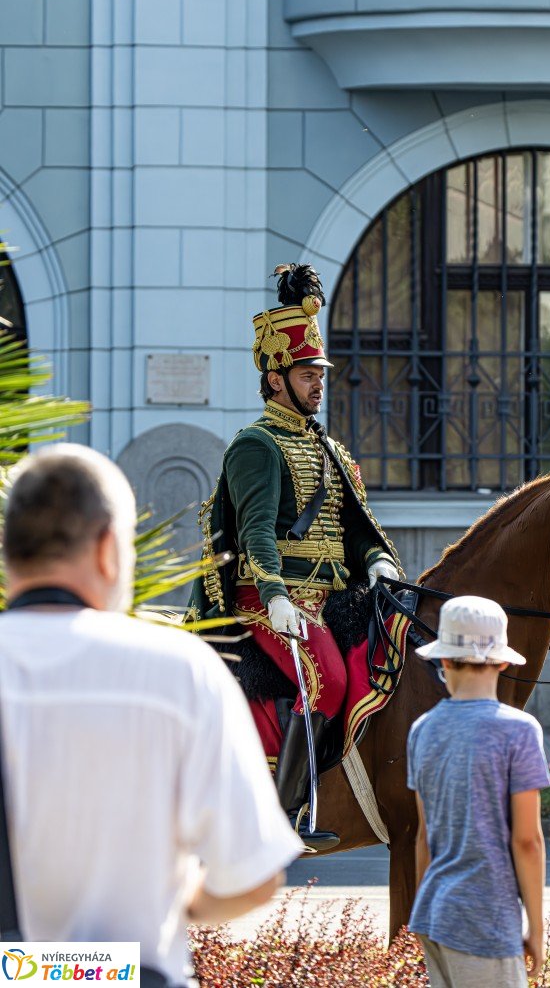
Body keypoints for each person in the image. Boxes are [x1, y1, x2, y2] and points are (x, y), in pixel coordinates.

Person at [0, 445, 303, 985]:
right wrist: (179, 898)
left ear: (10, 551)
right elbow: (254, 879)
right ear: (109, 549)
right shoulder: (177, 671)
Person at [188, 263, 401, 851]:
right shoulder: (256, 445)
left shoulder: (327, 448)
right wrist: (277, 594)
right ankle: (278, 820)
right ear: (275, 378)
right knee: (327, 679)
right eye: (306, 373)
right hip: (269, 600)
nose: (318, 382)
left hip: (332, 593)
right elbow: (254, 532)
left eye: (320, 372)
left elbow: (351, 526)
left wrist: (377, 559)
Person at [407, 595, 550, 988]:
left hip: (432, 913)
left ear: (445, 661)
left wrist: (422, 906)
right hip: (485, 919)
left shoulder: (422, 730)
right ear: (504, 661)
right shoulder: (520, 731)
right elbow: (527, 841)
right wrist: (536, 928)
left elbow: (424, 836)